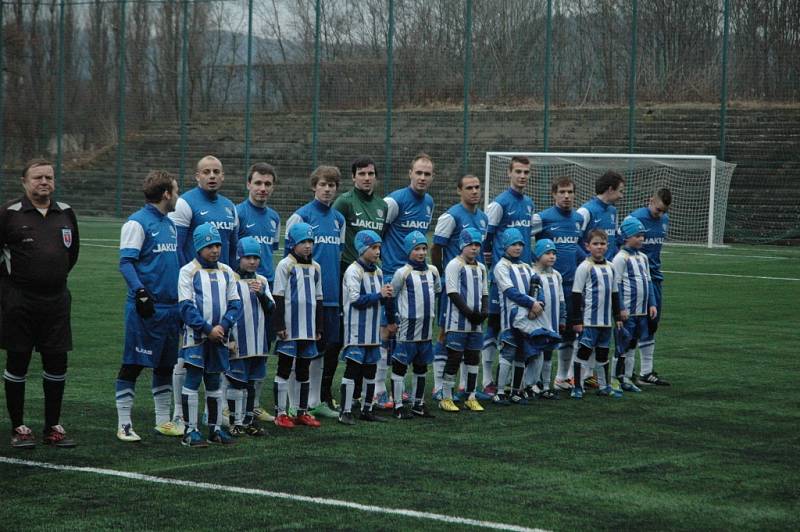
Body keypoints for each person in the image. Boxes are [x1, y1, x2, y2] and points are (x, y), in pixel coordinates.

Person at [1, 158, 80, 448]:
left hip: (56, 301)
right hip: (19, 302)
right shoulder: (9, 214)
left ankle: (52, 427)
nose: (44, 182)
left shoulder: (66, 213)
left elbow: (71, 256)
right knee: (18, 361)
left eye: (48, 177)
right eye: (37, 178)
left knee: (57, 362)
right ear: (24, 182)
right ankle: (19, 427)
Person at [169, 155, 239, 428]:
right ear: (197, 176)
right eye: (206, 172)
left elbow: (231, 249)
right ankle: (179, 413)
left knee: (217, 360)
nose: (212, 176)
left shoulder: (229, 207)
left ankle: (214, 417)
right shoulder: (186, 202)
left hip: (220, 291)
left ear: (223, 176)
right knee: (185, 358)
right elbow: (178, 247)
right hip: (194, 296)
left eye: (217, 171)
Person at [115, 170, 183, 442]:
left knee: (165, 365)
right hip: (147, 308)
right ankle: (124, 424)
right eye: (176, 190)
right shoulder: (137, 223)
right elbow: (126, 262)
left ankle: (162, 421)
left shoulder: (170, 223)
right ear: (166, 193)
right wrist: (141, 292)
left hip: (171, 309)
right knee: (133, 364)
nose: (178, 195)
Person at [284, 166, 346, 419]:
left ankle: (315, 400)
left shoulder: (338, 220)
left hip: (329, 297)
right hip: (303, 299)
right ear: (314, 187)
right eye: (323, 184)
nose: (328, 189)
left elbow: (337, 256)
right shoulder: (300, 217)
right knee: (298, 349)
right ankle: (290, 402)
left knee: (323, 347)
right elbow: (289, 257)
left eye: (332, 185)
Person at [378, 154, 435, 409]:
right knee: (387, 331)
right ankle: (379, 390)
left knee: (407, 336)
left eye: (427, 174)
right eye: (419, 173)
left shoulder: (429, 203)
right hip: (393, 273)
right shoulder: (394, 200)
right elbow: (379, 232)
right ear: (410, 173)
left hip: (416, 275)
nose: (422, 178)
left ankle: (398, 388)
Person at [177, 223, 242, 446]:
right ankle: (190, 430)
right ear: (198, 247)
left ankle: (215, 428)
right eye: (209, 246)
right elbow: (186, 307)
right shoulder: (188, 271)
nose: (214, 250)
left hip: (220, 337)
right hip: (197, 338)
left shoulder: (227, 272)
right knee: (193, 380)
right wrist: (207, 329)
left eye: (217, 245)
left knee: (214, 381)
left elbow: (235, 303)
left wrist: (222, 326)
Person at [332, 157, 387, 407]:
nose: (367, 177)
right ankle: (328, 394)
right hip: (349, 271)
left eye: (371, 173)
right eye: (362, 173)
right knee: (345, 337)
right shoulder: (344, 202)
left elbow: (379, 240)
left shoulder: (381, 206)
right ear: (353, 177)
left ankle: (361, 399)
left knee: (369, 337)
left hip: (372, 273)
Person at [431, 174, 488, 402]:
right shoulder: (451, 216)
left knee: (472, 336)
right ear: (459, 190)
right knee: (446, 334)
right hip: (454, 286)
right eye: (469, 188)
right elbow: (436, 247)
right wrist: (442, 274)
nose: (474, 191)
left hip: (474, 285)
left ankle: (466, 387)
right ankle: (438, 387)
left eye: (477, 187)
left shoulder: (483, 218)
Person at [481, 156, 534, 397]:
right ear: (509, 174)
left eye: (526, 172)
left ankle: (515, 381)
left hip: (523, 273)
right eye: (518, 172)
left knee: (519, 324)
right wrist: (489, 265)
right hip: (501, 274)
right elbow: (487, 237)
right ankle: (488, 378)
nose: (522, 176)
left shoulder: (529, 203)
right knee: (493, 324)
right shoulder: (499, 204)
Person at [531, 177, 585, 392]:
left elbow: (577, 247)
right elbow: (526, 242)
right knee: (544, 333)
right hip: (547, 286)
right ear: (553, 194)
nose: (566, 196)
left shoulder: (578, 219)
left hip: (572, 286)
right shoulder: (542, 218)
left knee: (570, 332)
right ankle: (535, 380)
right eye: (562, 192)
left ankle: (561, 377)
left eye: (570, 192)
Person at [236, 162, 281, 423]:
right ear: (248, 184)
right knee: (239, 349)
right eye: (258, 183)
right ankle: (233, 404)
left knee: (263, 348)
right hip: (242, 289)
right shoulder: (238, 213)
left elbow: (270, 252)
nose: (263, 188)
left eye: (267, 184)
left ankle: (253, 405)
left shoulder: (274, 217)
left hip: (266, 288)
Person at [338, 230, 394, 425]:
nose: (378, 251)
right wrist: (379, 295)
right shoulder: (354, 271)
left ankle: (367, 409)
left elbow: (382, 296)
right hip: (356, 331)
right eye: (373, 248)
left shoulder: (378, 271)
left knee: (370, 371)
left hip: (373, 331)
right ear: (362, 249)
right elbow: (355, 300)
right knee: (353, 370)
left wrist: (389, 306)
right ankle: (344, 411)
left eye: (379, 247)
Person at [272, 223, 324, 429]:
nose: (308, 246)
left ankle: (302, 411)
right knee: (284, 368)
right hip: (290, 328)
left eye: (310, 242)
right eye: (303, 242)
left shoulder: (316, 267)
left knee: (304, 369)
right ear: (293, 243)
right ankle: (281, 413)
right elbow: (278, 296)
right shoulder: (285, 265)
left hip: (309, 329)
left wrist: (319, 327)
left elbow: (319, 298)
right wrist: (279, 325)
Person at [226, 237, 275, 437]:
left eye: (256, 258)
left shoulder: (262, 281)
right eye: (248, 257)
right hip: (239, 340)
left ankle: (248, 421)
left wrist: (262, 294)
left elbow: (272, 308)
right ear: (239, 257)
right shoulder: (230, 279)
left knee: (252, 383)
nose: (252, 262)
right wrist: (227, 339)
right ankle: (234, 422)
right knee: (237, 382)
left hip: (259, 341)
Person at [389, 231, 440, 419]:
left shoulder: (433, 271)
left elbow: (437, 292)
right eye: (417, 249)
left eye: (424, 248)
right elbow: (391, 296)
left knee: (421, 368)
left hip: (426, 331)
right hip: (407, 331)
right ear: (408, 251)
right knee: (400, 368)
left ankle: (418, 403)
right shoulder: (402, 273)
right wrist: (392, 321)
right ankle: (398, 405)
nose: (421, 252)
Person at [491, 228, 544, 405]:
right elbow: (510, 291)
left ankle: (516, 391)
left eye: (521, 244)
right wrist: (532, 304)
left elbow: (537, 286)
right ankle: (499, 392)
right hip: (510, 318)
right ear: (505, 245)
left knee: (522, 354)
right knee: (508, 352)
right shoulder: (501, 266)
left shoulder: (526, 267)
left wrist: (539, 304)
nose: (518, 247)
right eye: (514, 244)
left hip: (529, 317)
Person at [438, 228, 488, 413]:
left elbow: (484, 293)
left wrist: (484, 311)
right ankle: (446, 397)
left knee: (474, 358)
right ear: (462, 246)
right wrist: (469, 313)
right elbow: (452, 292)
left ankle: (470, 396)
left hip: (475, 323)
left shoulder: (481, 267)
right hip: (457, 321)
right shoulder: (454, 264)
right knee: (455, 358)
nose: (474, 248)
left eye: (477, 245)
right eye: (470, 245)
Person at [569, 229, 622, 399]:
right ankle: (577, 386)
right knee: (583, 352)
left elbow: (614, 294)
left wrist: (618, 317)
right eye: (595, 244)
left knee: (602, 353)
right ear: (587, 246)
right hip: (589, 321)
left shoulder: (612, 267)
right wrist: (577, 320)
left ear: (607, 246)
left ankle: (604, 386)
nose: (599, 247)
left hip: (606, 322)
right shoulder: (584, 267)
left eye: (603, 244)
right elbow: (576, 294)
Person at [626, 188, 672, 386]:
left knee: (652, 324)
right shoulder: (634, 219)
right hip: (636, 280)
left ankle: (646, 372)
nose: (659, 214)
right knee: (632, 325)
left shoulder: (664, 220)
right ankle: (626, 373)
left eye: (663, 211)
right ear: (650, 200)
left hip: (655, 279)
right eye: (657, 210)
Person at [611, 218, 657, 393]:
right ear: (626, 237)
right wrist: (620, 309)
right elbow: (616, 286)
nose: (641, 239)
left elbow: (649, 281)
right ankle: (615, 378)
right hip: (627, 311)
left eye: (642, 236)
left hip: (641, 311)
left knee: (632, 344)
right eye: (637, 236)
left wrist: (651, 304)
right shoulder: (620, 258)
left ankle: (628, 377)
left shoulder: (643, 258)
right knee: (622, 344)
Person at [526, 239, 566, 400]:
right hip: (538, 321)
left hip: (553, 321)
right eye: (547, 253)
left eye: (554, 253)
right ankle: (530, 384)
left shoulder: (556, 275)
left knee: (549, 353)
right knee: (534, 353)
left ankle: (546, 385)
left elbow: (561, 298)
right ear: (538, 255)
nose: (552, 256)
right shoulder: (532, 273)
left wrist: (563, 317)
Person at [577, 171, 625, 259]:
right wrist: (588, 260)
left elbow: (613, 240)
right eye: (620, 191)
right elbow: (576, 242)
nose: (621, 196)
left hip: (608, 268)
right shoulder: (585, 211)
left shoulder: (613, 211)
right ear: (610, 189)